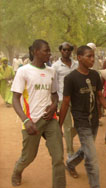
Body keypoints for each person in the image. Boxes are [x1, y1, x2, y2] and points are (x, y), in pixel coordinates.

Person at [60, 45, 106, 188]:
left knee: (86, 148)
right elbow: (65, 103)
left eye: (93, 56)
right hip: (81, 122)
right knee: (92, 160)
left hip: (93, 120)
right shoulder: (70, 78)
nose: (92, 59)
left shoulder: (95, 75)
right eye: (89, 56)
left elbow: (100, 96)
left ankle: (70, 163)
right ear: (79, 58)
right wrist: (59, 126)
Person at [11, 39, 65, 188]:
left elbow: (54, 94)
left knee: (58, 157)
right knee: (28, 157)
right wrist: (25, 120)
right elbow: (15, 99)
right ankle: (17, 170)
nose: (49, 53)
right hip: (32, 121)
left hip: (50, 120)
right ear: (35, 52)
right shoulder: (24, 71)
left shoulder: (51, 71)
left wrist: (54, 106)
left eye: (49, 51)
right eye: (46, 51)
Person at [52, 42, 78, 159]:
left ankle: (69, 137)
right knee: (67, 126)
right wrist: (55, 102)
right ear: (60, 51)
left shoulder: (76, 64)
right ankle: (70, 151)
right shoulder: (55, 66)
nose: (66, 52)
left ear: (71, 51)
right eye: (64, 50)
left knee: (80, 124)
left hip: (77, 98)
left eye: (68, 50)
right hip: (63, 99)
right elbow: (54, 84)